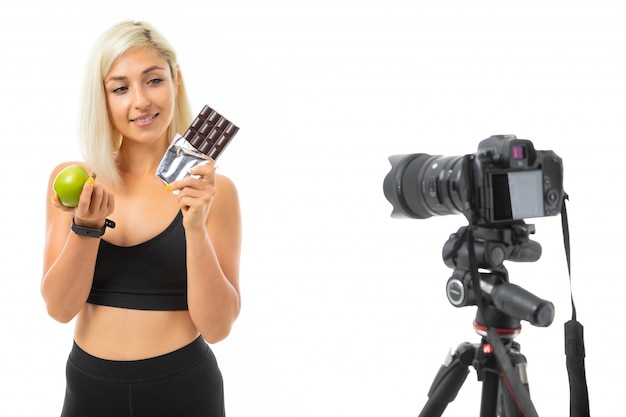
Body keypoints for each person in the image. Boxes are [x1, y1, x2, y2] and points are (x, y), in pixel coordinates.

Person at [41, 20, 241, 417]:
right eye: (120, 87)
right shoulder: (75, 182)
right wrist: (86, 228)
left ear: (175, 80)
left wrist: (196, 227)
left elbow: (217, 329)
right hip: (89, 391)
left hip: (185, 388)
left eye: (153, 80)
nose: (140, 101)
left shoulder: (214, 192)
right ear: (102, 97)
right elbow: (60, 309)